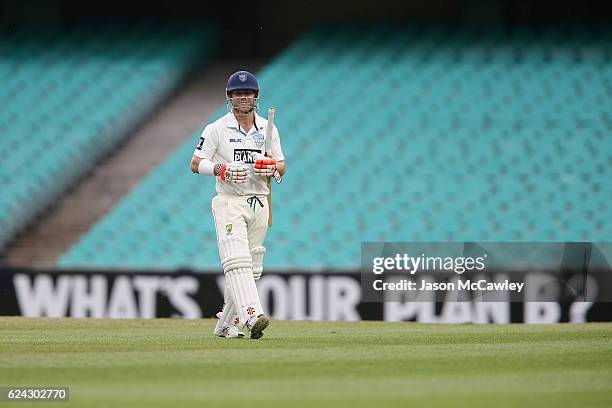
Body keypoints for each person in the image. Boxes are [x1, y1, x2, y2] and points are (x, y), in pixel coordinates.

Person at [190, 70, 285, 339]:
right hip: (229, 201)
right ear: (230, 97)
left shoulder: (268, 128)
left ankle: (226, 324)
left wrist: (271, 167)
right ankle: (252, 315)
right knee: (237, 260)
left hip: (259, 201)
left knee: (252, 266)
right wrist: (221, 169)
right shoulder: (216, 129)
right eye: (237, 94)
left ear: (256, 96)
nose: (243, 98)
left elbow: (281, 165)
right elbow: (196, 164)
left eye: (248, 93)